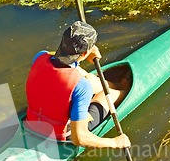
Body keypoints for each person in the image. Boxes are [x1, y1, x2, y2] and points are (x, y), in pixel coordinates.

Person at [25, 21, 131, 149]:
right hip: (62, 136)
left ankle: (111, 84)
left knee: (89, 79)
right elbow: (79, 138)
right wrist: (115, 142)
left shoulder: (39, 57)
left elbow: (54, 56)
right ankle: (124, 90)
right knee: (107, 94)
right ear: (85, 53)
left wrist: (85, 52)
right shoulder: (82, 86)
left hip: (31, 123)